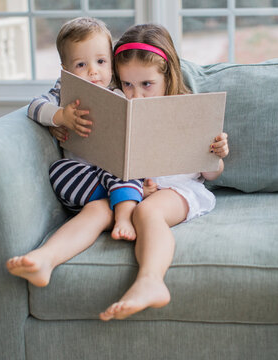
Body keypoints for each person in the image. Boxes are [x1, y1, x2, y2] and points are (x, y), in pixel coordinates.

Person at [99, 24, 229, 321]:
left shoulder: (188, 110)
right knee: (117, 208)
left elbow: (211, 175)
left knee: (147, 214)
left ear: (167, 75)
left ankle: (151, 282)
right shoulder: (123, 107)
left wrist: (216, 154)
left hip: (182, 191)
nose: (136, 95)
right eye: (128, 84)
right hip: (141, 191)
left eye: (146, 84)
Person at [6, 17, 143, 287]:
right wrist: (59, 117)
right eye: (81, 65)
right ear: (65, 70)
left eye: (101, 62)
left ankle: (123, 214)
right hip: (83, 181)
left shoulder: (119, 93)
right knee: (58, 170)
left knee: (125, 166)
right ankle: (121, 204)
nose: (93, 72)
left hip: (112, 173)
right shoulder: (64, 92)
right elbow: (34, 106)